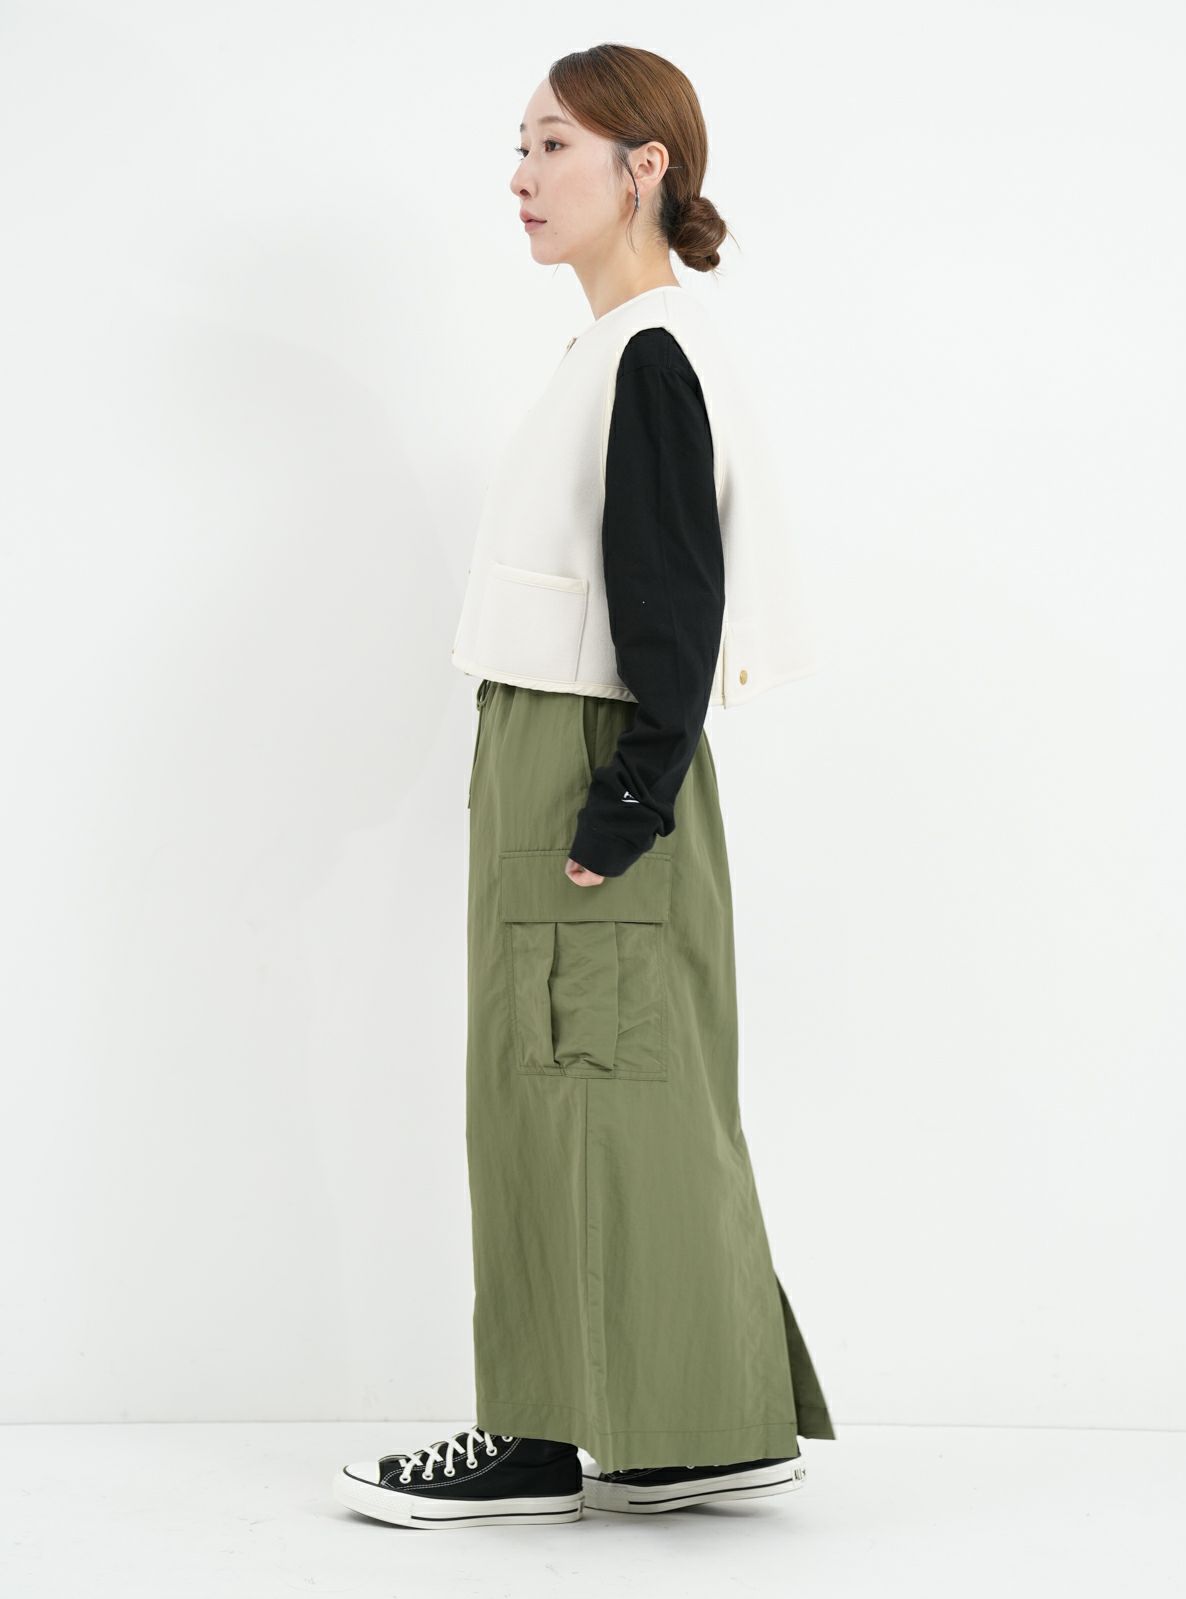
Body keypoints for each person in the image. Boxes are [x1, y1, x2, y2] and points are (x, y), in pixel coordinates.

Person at [334, 43, 836, 1531]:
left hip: (591, 759)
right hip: (568, 752)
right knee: (576, 1088)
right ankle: (655, 1426)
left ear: (643, 168)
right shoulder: (620, 349)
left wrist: (626, 800)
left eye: (553, 145)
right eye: (522, 144)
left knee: (590, 1087)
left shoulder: (648, 356)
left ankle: (581, 1433)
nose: (521, 176)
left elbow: (674, 600)